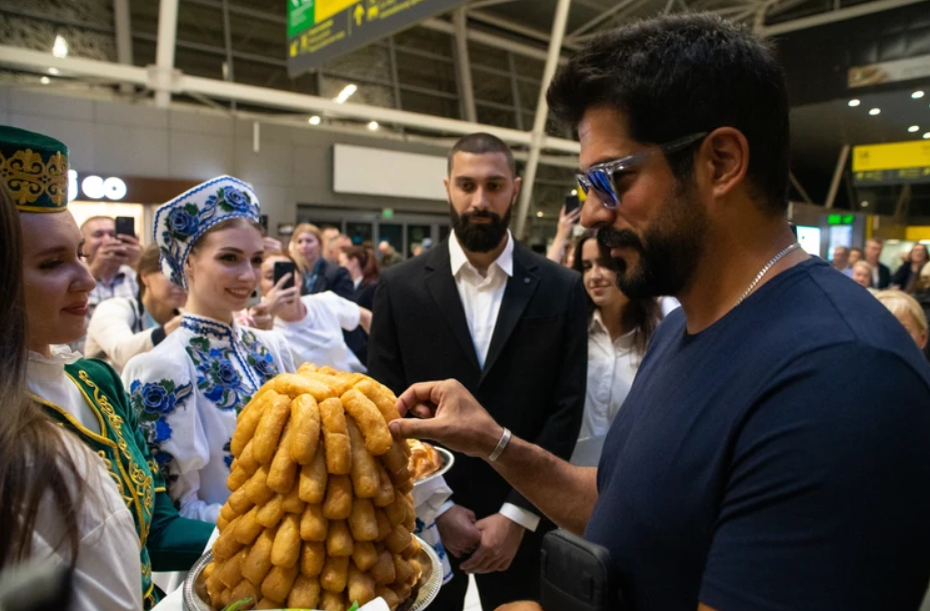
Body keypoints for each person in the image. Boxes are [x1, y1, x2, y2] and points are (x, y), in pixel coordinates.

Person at [388, 14, 930, 611]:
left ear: (721, 162)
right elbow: (624, 506)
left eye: (613, 178)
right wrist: (494, 442)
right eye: (585, 185)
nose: (592, 214)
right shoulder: (683, 328)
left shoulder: (841, 379)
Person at [368, 132, 586, 611]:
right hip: (423, 523)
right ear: (448, 187)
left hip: (526, 520)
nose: (479, 200)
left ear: (515, 188)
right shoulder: (399, 288)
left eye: (493, 185)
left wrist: (516, 514)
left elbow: (566, 408)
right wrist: (437, 507)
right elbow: (382, 408)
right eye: (467, 185)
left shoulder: (562, 288)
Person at [2, 126, 212, 610]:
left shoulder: (94, 382)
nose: (86, 277)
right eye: (52, 263)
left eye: (79, 253)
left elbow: (152, 530)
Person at [123, 176, 295, 523]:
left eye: (256, 260)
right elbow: (172, 514)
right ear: (187, 262)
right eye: (229, 258)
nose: (248, 275)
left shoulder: (273, 346)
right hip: (213, 561)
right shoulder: (161, 369)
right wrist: (274, 520)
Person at [569, 231, 662, 466]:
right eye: (587, 266)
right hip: (568, 471)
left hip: (631, 474)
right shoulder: (572, 331)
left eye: (605, 264)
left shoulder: (659, 336)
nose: (594, 276)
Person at [259, 252, 371, 373]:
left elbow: (367, 318)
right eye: (271, 277)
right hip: (308, 390)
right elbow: (266, 370)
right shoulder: (258, 323)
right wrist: (267, 316)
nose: (281, 282)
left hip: (353, 381)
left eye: (287, 274)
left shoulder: (324, 302)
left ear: (300, 279)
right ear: (259, 286)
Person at [85, 245, 186, 373]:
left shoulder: (185, 318)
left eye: (188, 275)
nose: (181, 283)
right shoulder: (112, 308)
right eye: (170, 273)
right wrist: (172, 328)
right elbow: (121, 352)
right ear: (145, 277)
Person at [288, 223, 354, 299]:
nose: (304, 246)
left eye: (309, 241)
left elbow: (345, 305)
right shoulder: (297, 275)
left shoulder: (337, 273)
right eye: (299, 242)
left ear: (320, 244)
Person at [339, 244, 380, 364]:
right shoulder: (352, 287)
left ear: (353, 262)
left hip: (367, 349)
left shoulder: (371, 287)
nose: (339, 267)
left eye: (341, 262)